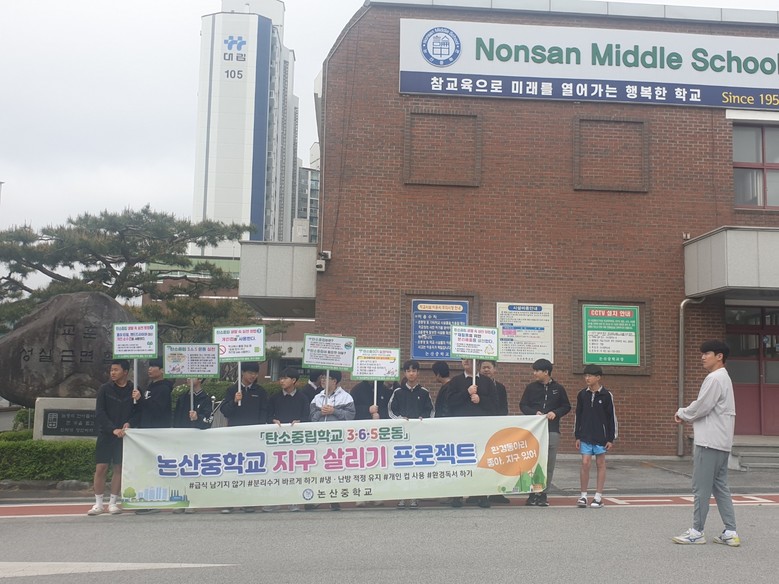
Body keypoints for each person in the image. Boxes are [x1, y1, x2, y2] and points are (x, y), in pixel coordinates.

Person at [672, 340, 739, 546]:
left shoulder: (714, 378)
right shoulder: (725, 377)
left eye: (706, 353)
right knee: (720, 487)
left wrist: (682, 413)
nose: (702, 357)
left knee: (701, 488)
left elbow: (702, 406)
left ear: (719, 356)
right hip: (722, 442)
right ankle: (730, 531)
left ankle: (697, 531)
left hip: (709, 441)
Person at [88, 359, 139, 516]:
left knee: (119, 468)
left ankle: (112, 503)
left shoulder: (134, 390)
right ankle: (98, 504)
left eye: (116, 370)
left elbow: (138, 413)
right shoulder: (105, 389)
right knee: (101, 468)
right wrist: (112, 429)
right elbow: (100, 412)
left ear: (125, 372)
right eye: (111, 370)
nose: (113, 373)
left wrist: (129, 423)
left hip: (124, 436)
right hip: (106, 434)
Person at [447, 358, 498, 508]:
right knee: (460, 461)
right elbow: (449, 403)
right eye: (463, 358)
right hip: (460, 428)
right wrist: (466, 393)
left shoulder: (487, 382)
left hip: (481, 429)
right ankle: (457, 495)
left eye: (469, 359)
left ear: (477, 362)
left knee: (481, 461)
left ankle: (481, 495)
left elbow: (495, 405)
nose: (465, 361)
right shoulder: (456, 381)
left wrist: (480, 399)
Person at [519, 358, 571, 507]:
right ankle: (532, 493)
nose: (534, 373)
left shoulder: (558, 388)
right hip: (534, 431)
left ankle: (543, 494)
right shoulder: (530, 388)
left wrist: (556, 413)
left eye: (537, 371)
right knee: (532, 462)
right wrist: (534, 413)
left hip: (552, 430)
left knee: (548, 463)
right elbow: (523, 405)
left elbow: (566, 406)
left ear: (546, 372)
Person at [219, 361, 268, 514]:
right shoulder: (232, 390)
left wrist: (259, 430)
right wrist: (234, 401)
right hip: (235, 436)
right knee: (233, 469)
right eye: (250, 373)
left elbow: (264, 412)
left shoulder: (260, 391)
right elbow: (225, 411)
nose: (253, 376)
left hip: (253, 437)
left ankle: (248, 501)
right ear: (242, 373)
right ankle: (229, 501)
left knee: (250, 469)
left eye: (255, 373)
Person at [389, 360, 434, 509]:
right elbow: (391, 411)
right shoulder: (397, 392)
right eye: (408, 371)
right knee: (402, 465)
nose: (411, 373)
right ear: (405, 373)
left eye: (414, 371)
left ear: (418, 373)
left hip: (418, 436)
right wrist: (400, 419)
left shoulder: (424, 392)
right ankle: (401, 497)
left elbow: (431, 411)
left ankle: (414, 497)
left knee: (416, 465)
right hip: (402, 437)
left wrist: (423, 419)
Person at [264, 367, 309, 513]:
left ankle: (293, 501)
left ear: (294, 380)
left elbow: (307, 417)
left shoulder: (302, 398)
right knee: (276, 470)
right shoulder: (274, 398)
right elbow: (268, 415)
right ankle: (274, 501)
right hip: (278, 441)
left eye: (285, 378)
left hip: (296, 441)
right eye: (280, 378)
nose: (281, 381)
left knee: (294, 471)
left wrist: (300, 422)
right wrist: (273, 420)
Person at [574, 364, 617, 509]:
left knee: (600, 464)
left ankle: (598, 496)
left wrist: (610, 438)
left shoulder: (606, 395)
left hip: (601, 437)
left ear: (598, 377)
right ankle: (583, 496)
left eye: (590, 376)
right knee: (585, 463)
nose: (587, 378)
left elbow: (611, 418)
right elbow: (578, 416)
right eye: (585, 375)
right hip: (585, 435)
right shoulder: (582, 394)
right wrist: (577, 435)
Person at [310, 371, 355, 510]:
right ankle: (316, 497)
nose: (323, 380)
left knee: (335, 469)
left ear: (335, 381)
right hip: (320, 439)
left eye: (326, 378)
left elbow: (350, 416)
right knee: (318, 469)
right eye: (322, 378)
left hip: (338, 440)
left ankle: (334, 498)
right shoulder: (317, 398)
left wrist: (334, 411)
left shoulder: (346, 397)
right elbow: (311, 417)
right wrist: (321, 412)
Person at [133, 358, 173, 429]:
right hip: (146, 427)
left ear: (162, 370)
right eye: (149, 366)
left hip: (156, 429)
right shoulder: (150, 386)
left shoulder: (164, 389)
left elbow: (157, 410)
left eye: (153, 366)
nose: (149, 369)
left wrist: (140, 399)